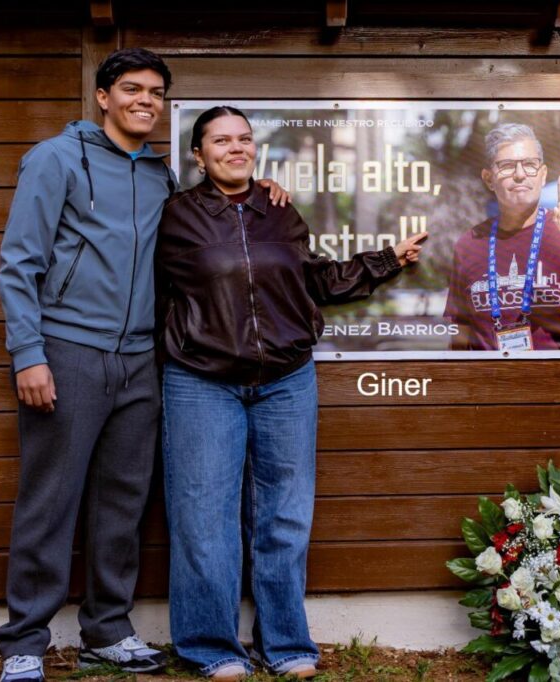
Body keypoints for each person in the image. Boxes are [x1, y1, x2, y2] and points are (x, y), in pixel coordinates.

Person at [0, 50, 289, 682]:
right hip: (67, 351)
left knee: (122, 503)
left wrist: (260, 192)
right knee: (50, 501)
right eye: (131, 89)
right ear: (103, 97)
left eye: (156, 92)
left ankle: (106, 631)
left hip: (139, 359)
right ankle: (24, 642)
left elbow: (209, 225)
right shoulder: (55, 159)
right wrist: (29, 353)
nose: (144, 101)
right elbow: (19, 263)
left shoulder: (160, 179)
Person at [156, 106, 427, 681]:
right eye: (221, 141)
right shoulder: (175, 217)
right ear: (198, 157)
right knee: (204, 516)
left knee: (285, 515)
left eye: (244, 139)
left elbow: (317, 280)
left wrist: (387, 260)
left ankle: (283, 644)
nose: (236, 148)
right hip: (202, 380)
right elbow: (150, 295)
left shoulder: (279, 210)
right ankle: (211, 647)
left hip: (286, 380)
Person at [444, 122, 560, 351]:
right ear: (488, 178)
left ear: (543, 175)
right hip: (492, 383)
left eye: (530, 165)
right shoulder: (469, 244)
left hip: (558, 382)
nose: (520, 175)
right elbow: (460, 333)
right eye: (506, 166)